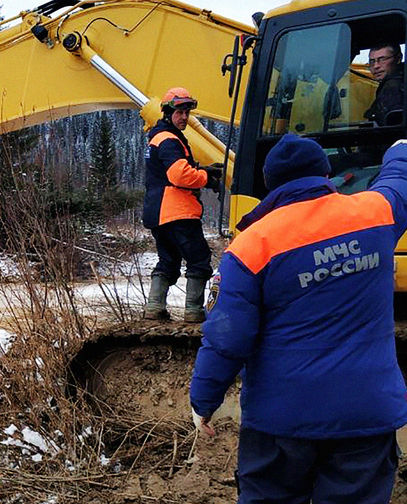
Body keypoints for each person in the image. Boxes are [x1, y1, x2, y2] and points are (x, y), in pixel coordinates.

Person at [190, 134, 407, 503]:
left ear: (270, 184)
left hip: (280, 426)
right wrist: (400, 150)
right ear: (326, 173)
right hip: (364, 417)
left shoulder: (251, 245)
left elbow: (228, 336)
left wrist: (203, 400)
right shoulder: (376, 213)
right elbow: (399, 183)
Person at [142, 87, 222, 322]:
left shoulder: (158, 137)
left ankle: (154, 308)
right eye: (180, 112)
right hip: (178, 212)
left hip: (158, 213)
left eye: (187, 112)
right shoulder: (169, 139)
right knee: (198, 259)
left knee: (168, 261)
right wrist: (207, 177)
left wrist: (201, 170)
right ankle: (194, 312)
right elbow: (179, 175)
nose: (185, 117)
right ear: (168, 112)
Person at [364, 42, 405, 126]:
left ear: (398, 59)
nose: (376, 66)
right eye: (372, 61)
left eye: (382, 59)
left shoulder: (393, 87)